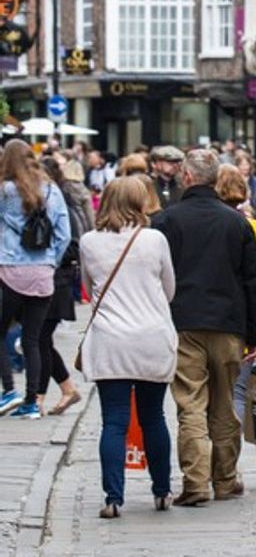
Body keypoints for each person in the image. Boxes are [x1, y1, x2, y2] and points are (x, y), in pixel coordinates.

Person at [154, 150, 256, 506]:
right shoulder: (237, 223)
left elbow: (157, 278)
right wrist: (253, 333)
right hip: (229, 323)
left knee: (190, 404)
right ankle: (226, 478)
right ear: (216, 179)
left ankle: (196, 482)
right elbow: (254, 281)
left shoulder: (167, 221)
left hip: (183, 322)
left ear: (186, 177)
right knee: (224, 402)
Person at [79, 178, 177, 517]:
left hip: (110, 339)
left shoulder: (89, 241)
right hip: (151, 336)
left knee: (114, 421)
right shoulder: (155, 239)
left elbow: (89, 291)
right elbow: (170, 290)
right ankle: (162, 491)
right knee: (153, 417)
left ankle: (112, 498)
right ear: (140, 201)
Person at [0, 140, 72, 418]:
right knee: (32, 339)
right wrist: (50, 260)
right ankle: (32, 402)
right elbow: (64, 234)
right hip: (43, 273)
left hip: (8, 269)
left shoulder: (5, 192)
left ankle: (9, 391)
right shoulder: (52, 190)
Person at [215, 165, 256, 423]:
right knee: (238, 394)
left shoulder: (209, 224)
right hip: (245, 326)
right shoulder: (255, 229)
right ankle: (230, 458)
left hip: (208, 321)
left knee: (211, 395)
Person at [38, 156, 86, 415]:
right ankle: (68, 390)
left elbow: (72, 242)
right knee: (40, 340)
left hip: (57, 280)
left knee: (39, 339)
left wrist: (48, 260)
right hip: (49, 279)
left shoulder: (60, 201)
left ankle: (38, 397)